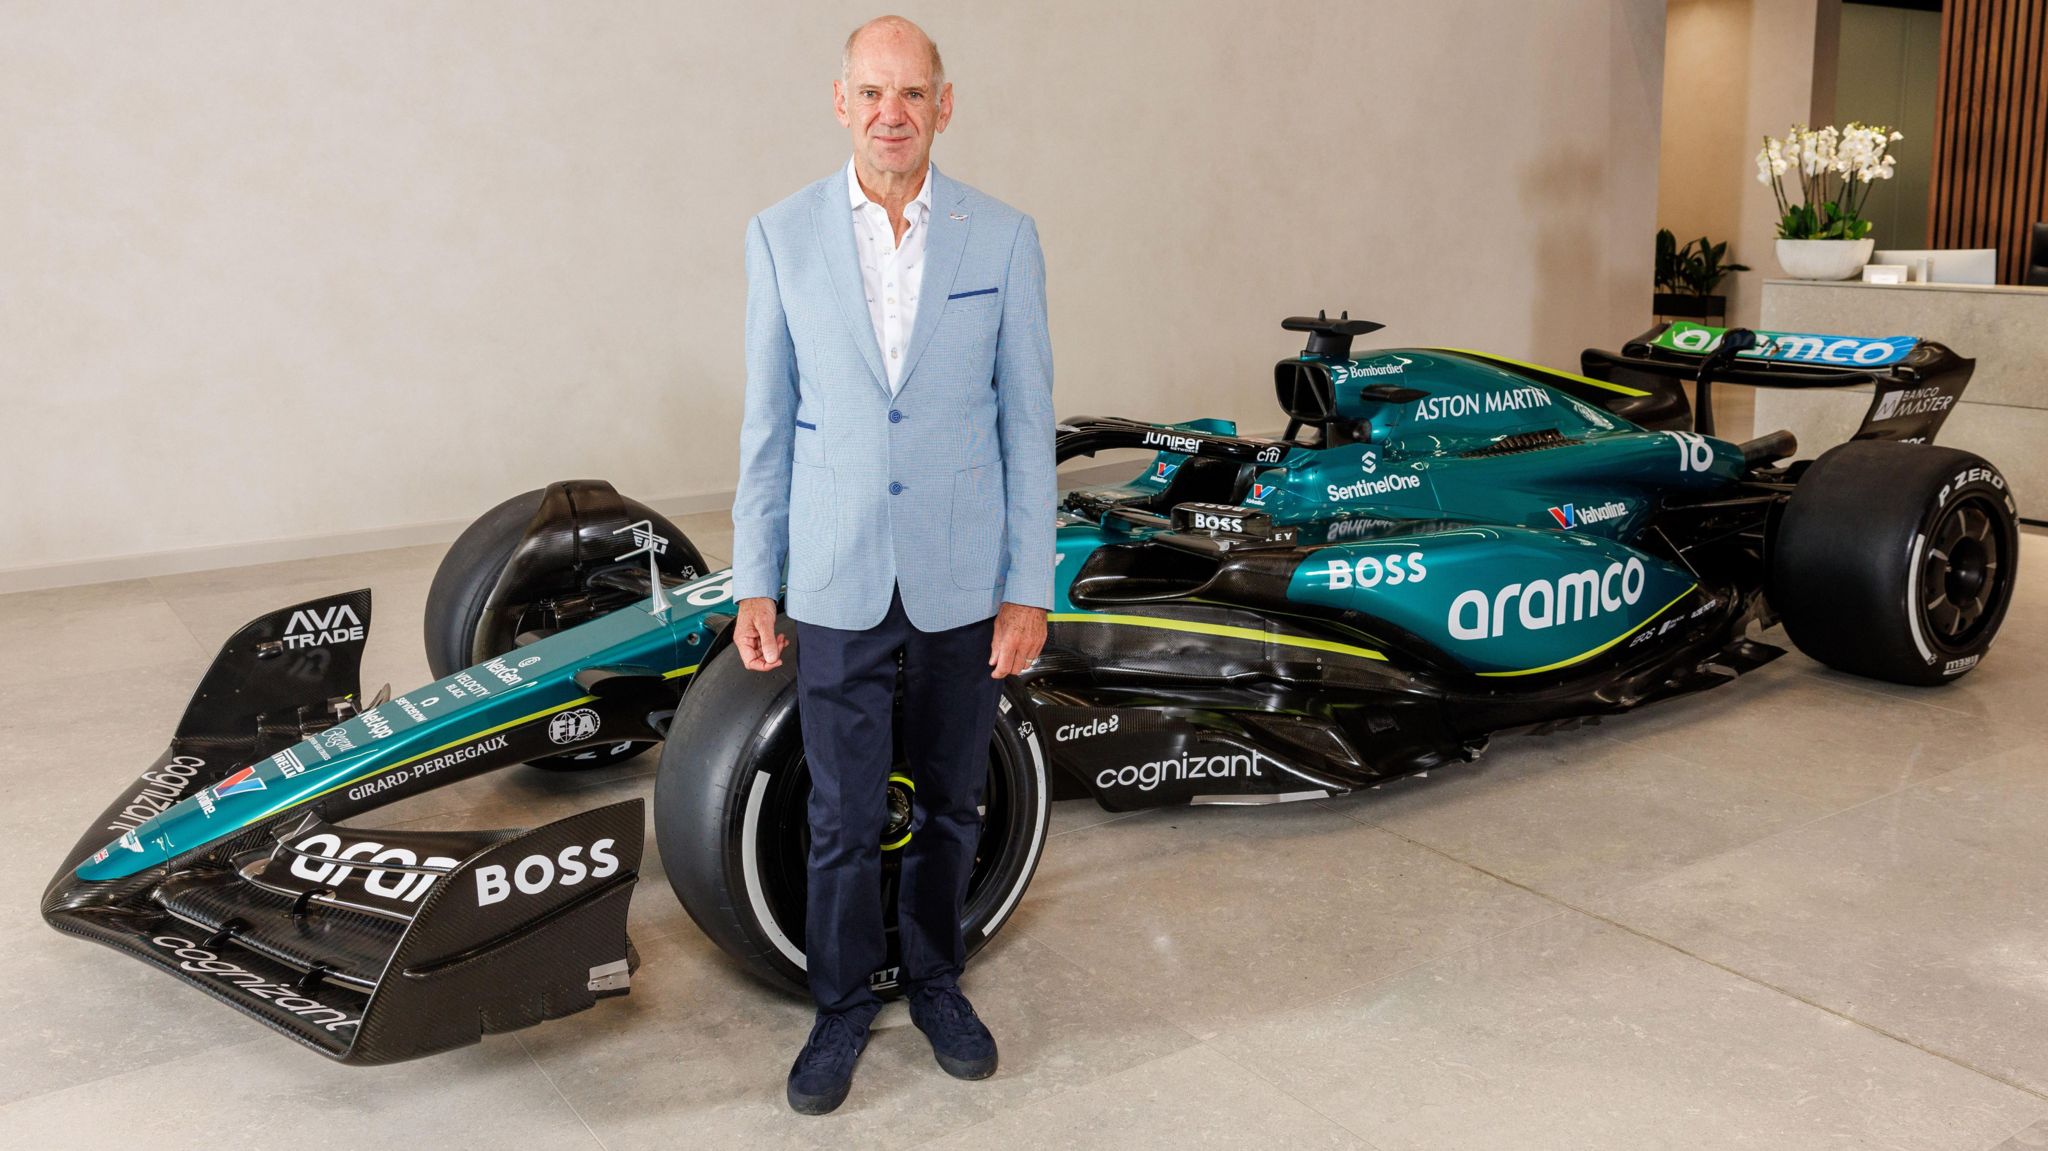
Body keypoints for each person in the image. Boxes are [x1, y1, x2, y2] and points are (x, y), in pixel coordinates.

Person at [727, 14, 1055, 1116]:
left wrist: (1027, 584)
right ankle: (837, 1004)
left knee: (952, 801)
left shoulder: (1002, 238)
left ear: (943, 105)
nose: (891, 113)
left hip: (964, 576)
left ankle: (934, 980)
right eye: (871, 93)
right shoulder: (780, 236)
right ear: (839, 102)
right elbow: (767, 422)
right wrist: (754, 576)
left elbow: (1026, 422)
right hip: (834, 569)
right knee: (841, 811)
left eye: (911, 93)